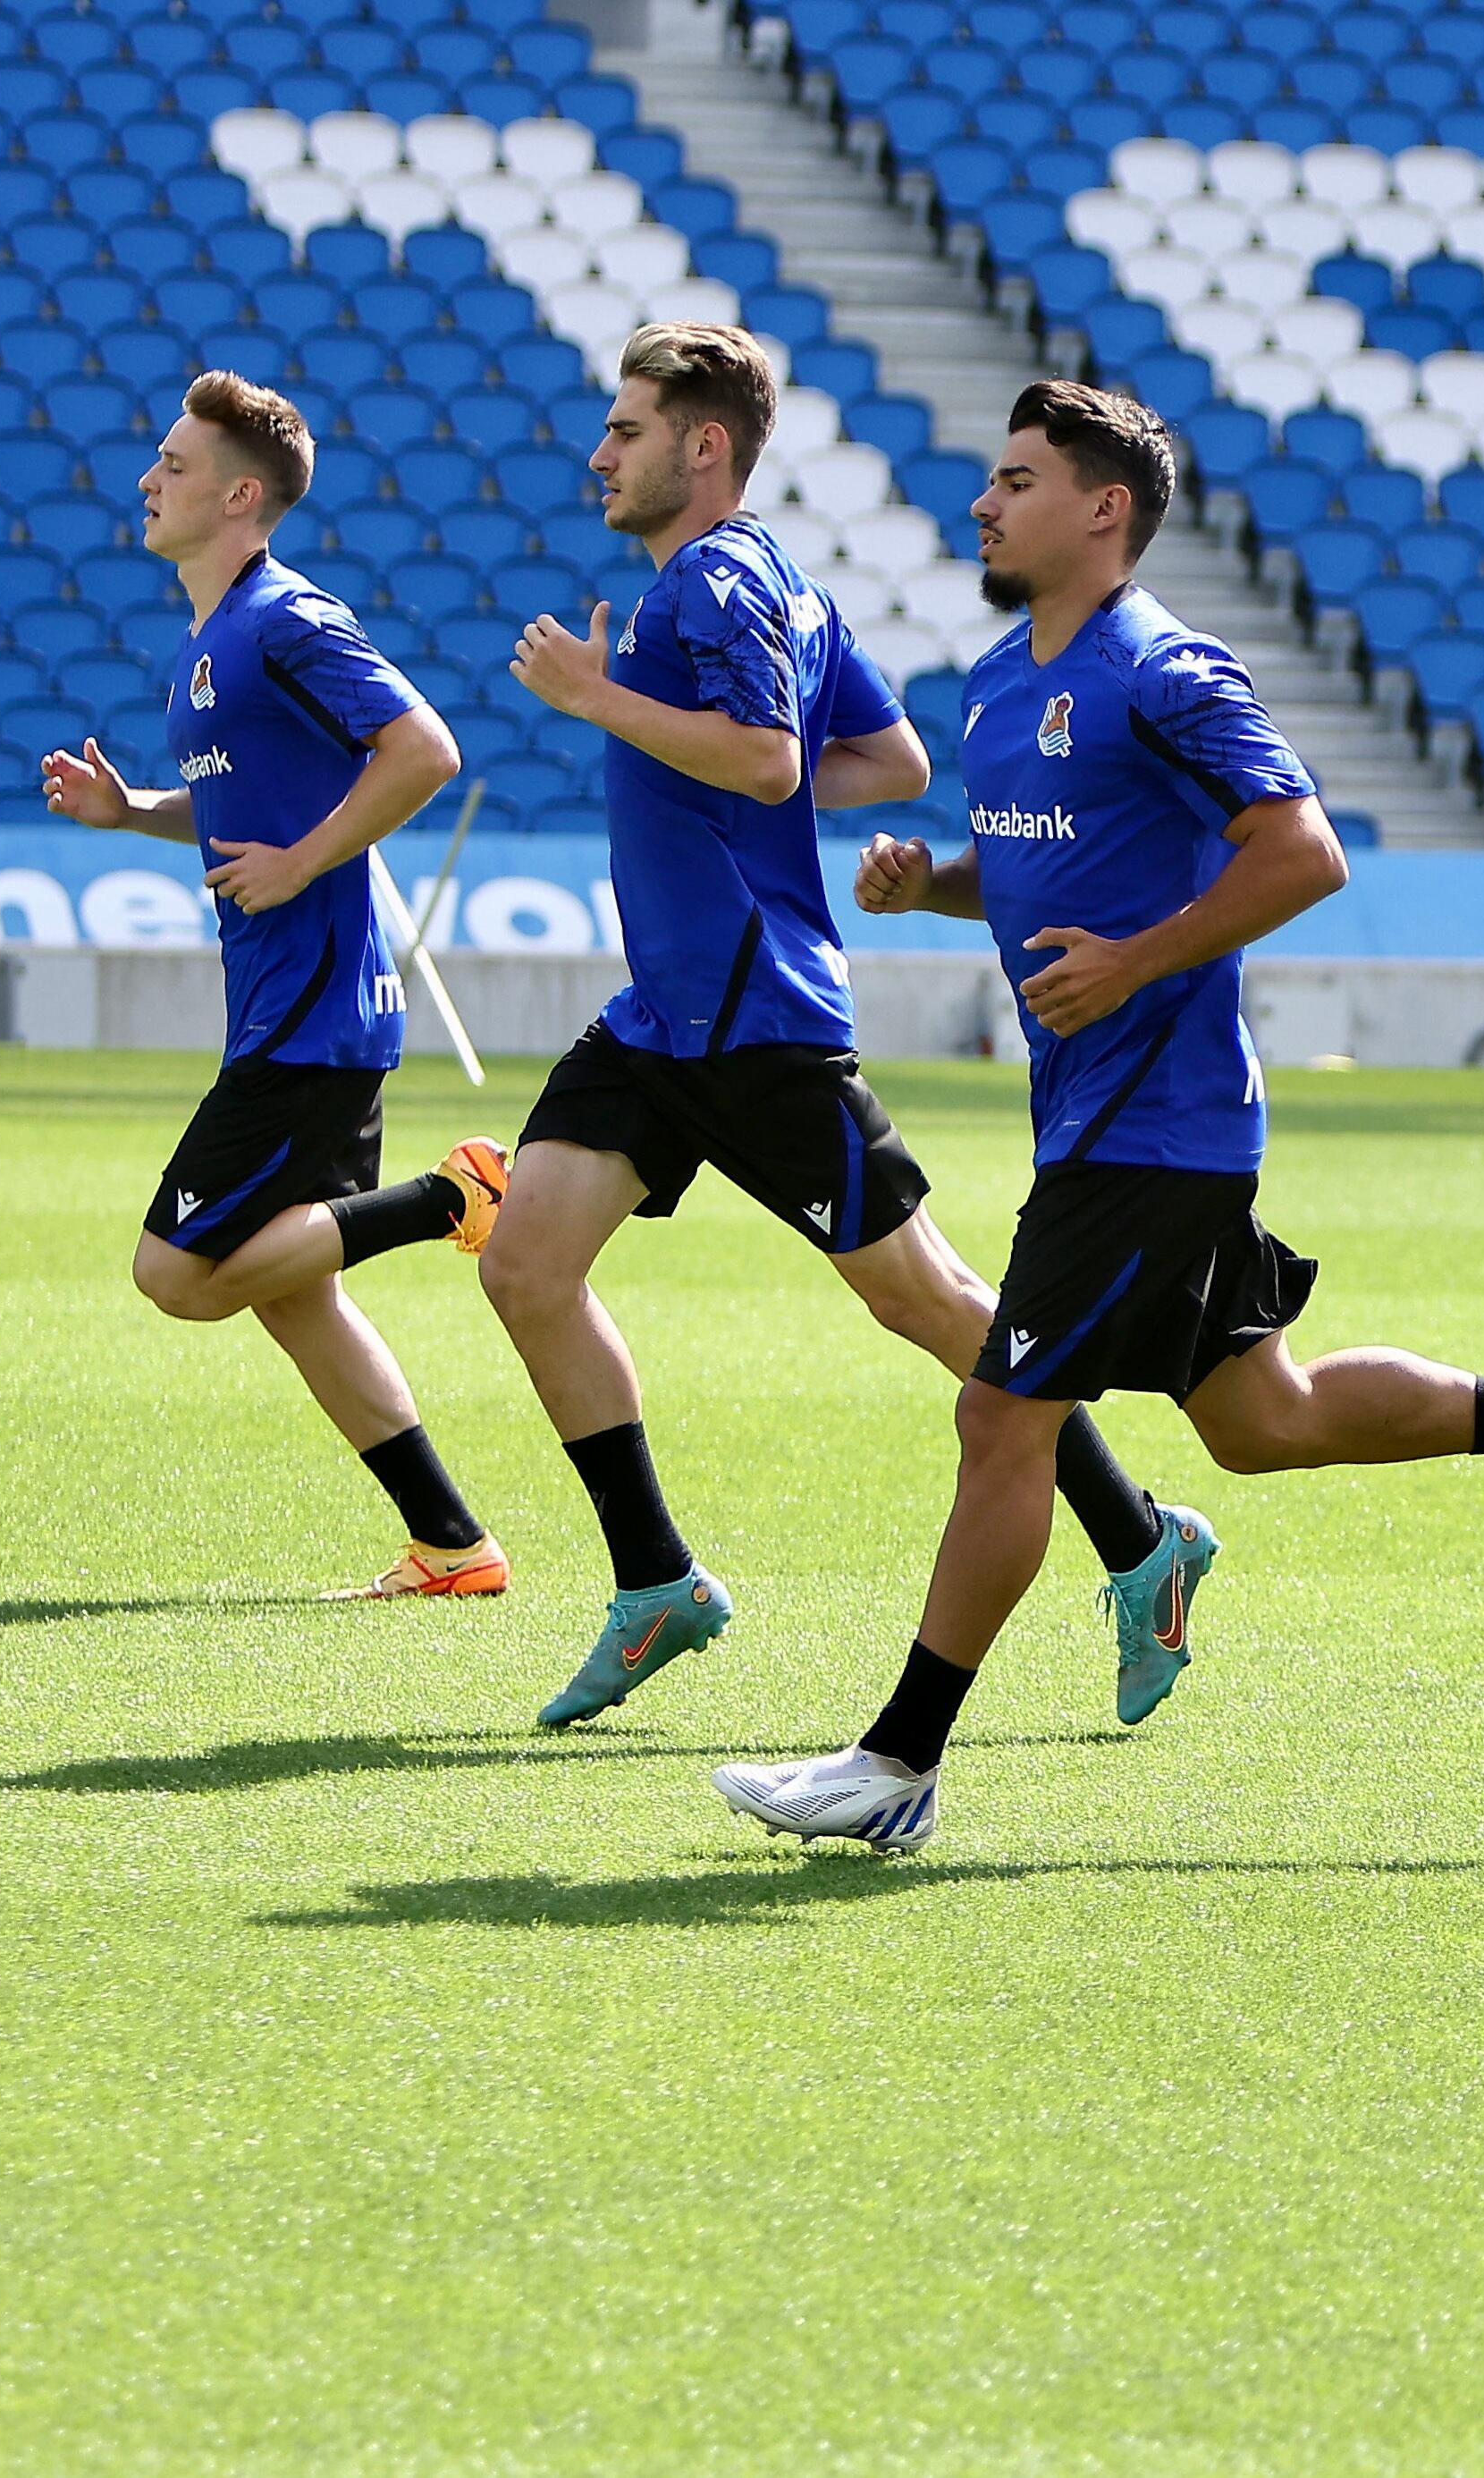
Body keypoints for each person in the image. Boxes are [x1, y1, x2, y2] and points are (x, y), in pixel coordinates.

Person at [708, 383, 1484, 1853]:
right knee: (1263, 1420)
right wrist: (934, 885)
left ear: (1103, 510)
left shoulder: (1168, 670)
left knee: (1002, 1413)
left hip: (1159, 1125)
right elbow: (1053, 868)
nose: (983, 503)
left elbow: (1302, 852)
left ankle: (895, 1765)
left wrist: (1138, 960)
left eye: (1015, 480)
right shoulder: (999, 682)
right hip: (1104, 1124)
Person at [484, 323, 1193, 1730]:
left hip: (757, 1022)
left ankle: (1141, 1537)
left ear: (703, 447)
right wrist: (705, 741)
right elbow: (888, 759)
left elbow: (760, 762)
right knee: (524, 1261)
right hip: (661, 1023)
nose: (599, 454)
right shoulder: (778, 586)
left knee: (927, 1301)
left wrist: (596, 697)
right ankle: (655, 1579)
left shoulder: (720, 578)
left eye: (626, 431)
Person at [38, 371, 517, 1602]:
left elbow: (424, 749)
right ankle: (454, 1544)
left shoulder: (288, 620)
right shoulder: (213, 642)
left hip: (309, 1019)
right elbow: (246, 803)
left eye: (176, 464)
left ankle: (450, 1197)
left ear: (243, 496)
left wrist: (306, 861)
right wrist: (131, 809)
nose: (150, 478)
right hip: (296, 1012)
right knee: (293, 1298)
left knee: (175, 1272)